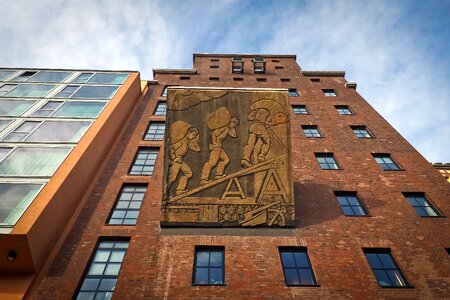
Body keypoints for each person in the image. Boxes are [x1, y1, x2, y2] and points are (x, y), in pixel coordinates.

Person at [200, 107, 239, 185]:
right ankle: (204, 179)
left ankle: (218, 174)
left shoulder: (228, 129)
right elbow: (214, 133)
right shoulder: (223, 127)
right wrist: (214, 143)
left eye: (236, 124)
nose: (234, 125)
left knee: (226, 160)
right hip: (216, 147)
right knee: (212, 163)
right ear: (230, 121)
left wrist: (232, 128)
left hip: (219, 147)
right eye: (234, 123)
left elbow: (234, 135)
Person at [167, 121, 200, 195]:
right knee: (172, 178)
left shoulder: (188, 142)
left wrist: (195, 141)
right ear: (188, 133)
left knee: (189, 173)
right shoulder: (181, 141)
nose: (193, 136)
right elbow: (171, 148)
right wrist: (174, 158)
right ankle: (165, 193)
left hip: (180, 160)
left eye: (195, 135)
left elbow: (197, 149)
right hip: (176, 161)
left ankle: (180, 190)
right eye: (193, 135)